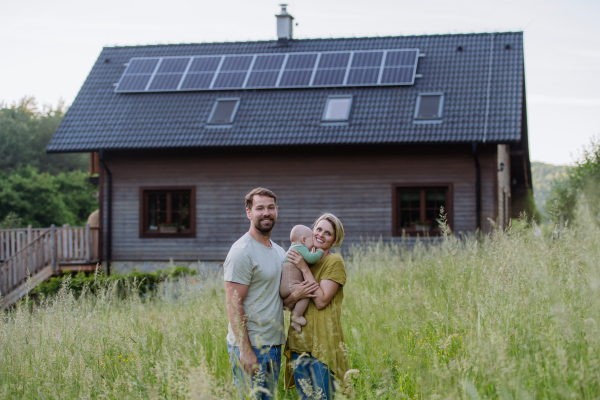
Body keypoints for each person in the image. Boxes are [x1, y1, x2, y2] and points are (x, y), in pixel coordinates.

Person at [224, 187, 319, 400]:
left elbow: (279, 301)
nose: (266, 212)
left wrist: (297, 295)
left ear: (277, 210)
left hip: (274, 344)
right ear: (249, 212)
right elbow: (233, 304)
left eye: (270, 207)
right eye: (260, 208)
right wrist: (245, 350)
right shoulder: (242, 252)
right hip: (252, 347)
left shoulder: (278, 251)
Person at [283, 213, 350, 400]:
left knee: (322, 397)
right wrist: (296, 294)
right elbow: (286, 304)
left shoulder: (333, 262)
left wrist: (305, 269)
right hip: (299, 340)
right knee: (305, 397)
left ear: (334, 240)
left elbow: (321, 301)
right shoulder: (300, 256)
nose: (321, 235)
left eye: (328, 233)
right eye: (318, 229)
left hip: (323, 341)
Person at [279, 225, 323, 333]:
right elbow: (311, 258)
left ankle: (295, 320)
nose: (314, 243)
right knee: (306, 292)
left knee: (303, 292)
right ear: (303, 240)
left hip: (285, 287)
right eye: (312, 239)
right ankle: (296, 316)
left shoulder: (291, 249)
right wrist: (319, 252)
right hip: (291, 286)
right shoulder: (300, 248)